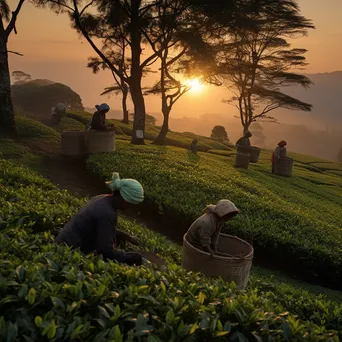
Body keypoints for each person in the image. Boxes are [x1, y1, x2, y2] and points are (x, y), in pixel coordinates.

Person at [55, 172, 144, 266]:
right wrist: (135, 257)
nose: (132, 208)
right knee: (135, 257)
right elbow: (106, 251)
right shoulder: (107, 213)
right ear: (126, 200)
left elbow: (102, 229)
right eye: (133, 204)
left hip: (62, 243)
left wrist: (126, 236)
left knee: (119, 240)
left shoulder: (102, 199)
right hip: (67, 254)